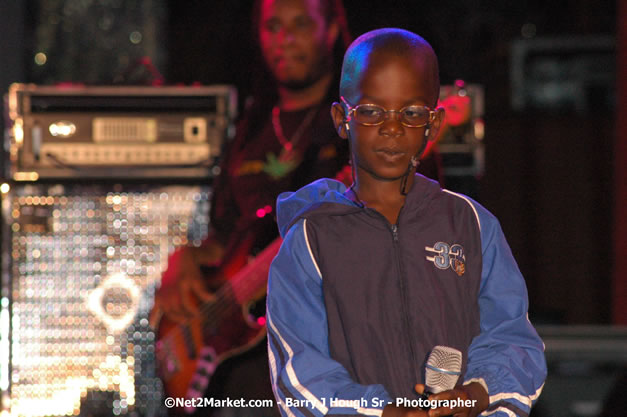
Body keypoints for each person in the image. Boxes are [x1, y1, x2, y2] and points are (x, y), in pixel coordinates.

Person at [266, 28, 547, 417]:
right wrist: (379, 411)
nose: (392, 128)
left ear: (433, 125)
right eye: (371, 111)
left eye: (411, 113)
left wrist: (476, 394)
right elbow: (298, 370)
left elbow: (512, 338)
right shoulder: (311, 239)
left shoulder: (471, 225)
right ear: (341, 119)